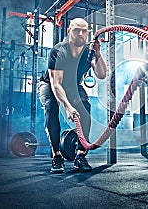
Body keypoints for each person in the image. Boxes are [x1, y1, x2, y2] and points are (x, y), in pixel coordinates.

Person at [37, 18, 106, 173]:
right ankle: (57, 156)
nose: (80, 34)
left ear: (87, 33)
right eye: (76, 30)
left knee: (86, 109)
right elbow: (56, 84)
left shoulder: (89, 52)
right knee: (50, 107)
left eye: (84, 31)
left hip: (73, 86)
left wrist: (99, 54)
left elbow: (101, 74)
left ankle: (80, 155)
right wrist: (68, 107)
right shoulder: (58, 51)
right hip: (50, 84)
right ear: (69, 31)